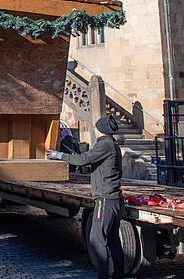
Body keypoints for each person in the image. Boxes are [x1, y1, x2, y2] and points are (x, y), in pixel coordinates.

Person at [48, 115, 124, 279]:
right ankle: (117, 274)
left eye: (96, 127)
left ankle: (105, 275)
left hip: (106, 198)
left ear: (102, 130)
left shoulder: (105, 144)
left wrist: (60, 156)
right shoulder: (112, 145)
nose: (94, 130)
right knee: (112, 239)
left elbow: (84, 159)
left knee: (96, 239)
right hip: (113, 198)